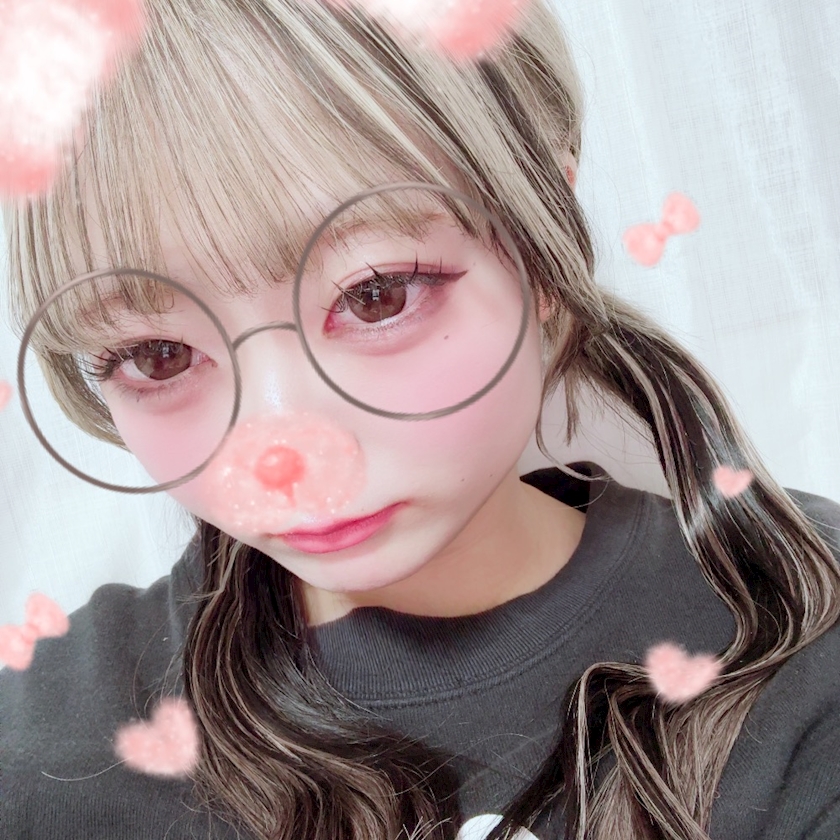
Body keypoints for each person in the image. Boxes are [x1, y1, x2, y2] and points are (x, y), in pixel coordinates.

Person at [2, 1, 840, 839]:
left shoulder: (803, 632)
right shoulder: (45, 746)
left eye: (377, 296)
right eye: (157, 356)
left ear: (545, 236)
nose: (280, 456)